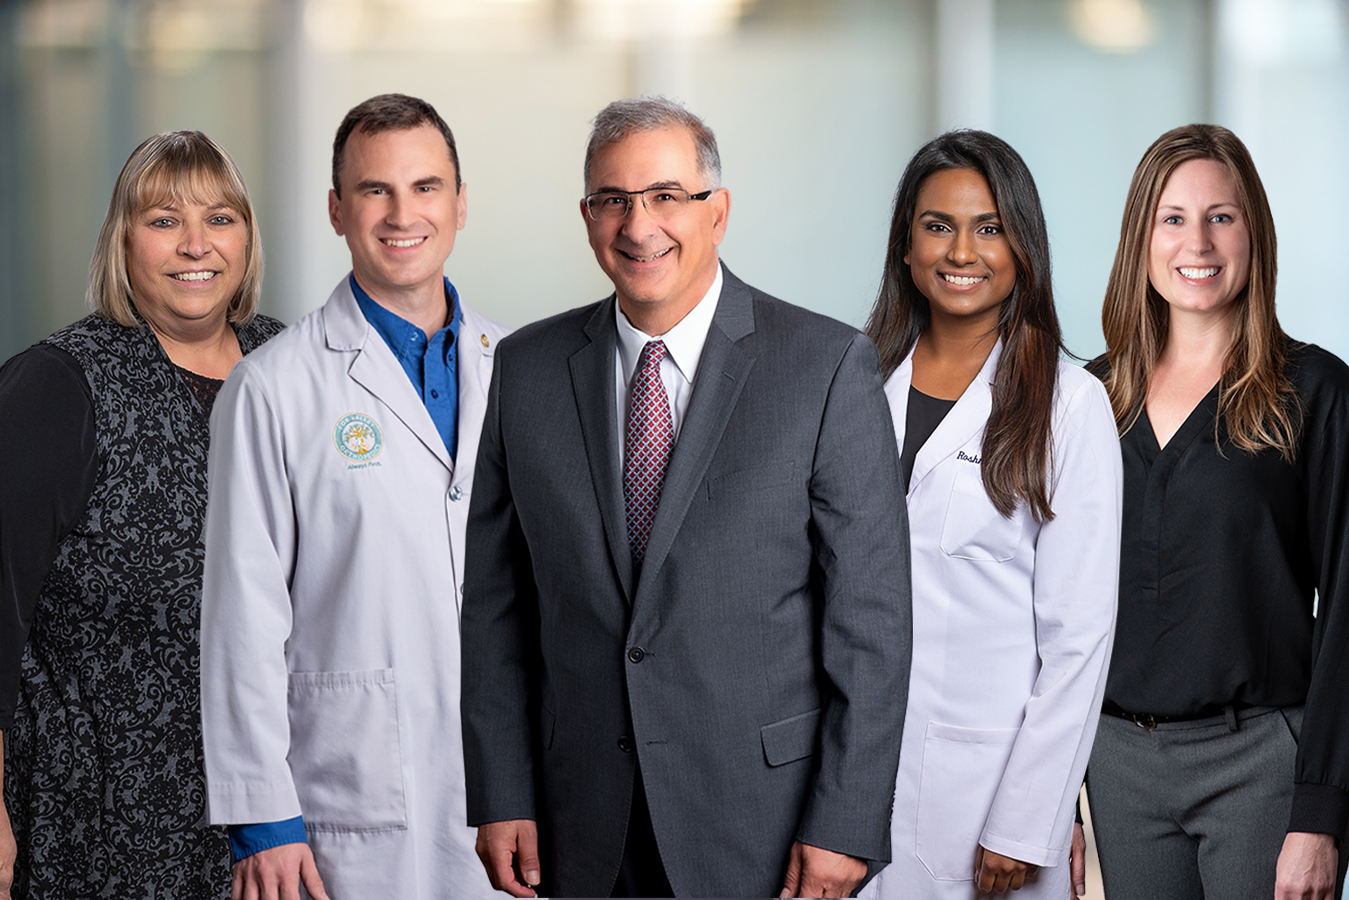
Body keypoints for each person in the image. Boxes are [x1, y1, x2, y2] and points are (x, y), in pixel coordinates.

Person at [459, 96, 912, 899]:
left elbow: (869, 624)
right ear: (587, 214)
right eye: (613, 200)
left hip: (762, 820)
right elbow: (497, 610)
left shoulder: (824, 366)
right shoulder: (526, 369)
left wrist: (844, 822)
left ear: (718, 213)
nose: (639, 226)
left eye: (666, 196)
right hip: (580, 818)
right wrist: (501, 792)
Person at [199, 93, 510, 899]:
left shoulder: (518, 367)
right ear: (337, 210)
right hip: (348, 806)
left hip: (511, 803)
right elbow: (242, 612)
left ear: (461, 203)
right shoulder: (274, 386)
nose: (402, 213)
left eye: (426, 187)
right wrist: (262, 818)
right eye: (375, 190)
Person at [0, 130, 282, 898]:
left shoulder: (293, 367)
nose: (196, 244)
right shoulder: (57, 387)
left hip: (275, 819)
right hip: (95, 819)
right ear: (121, 240)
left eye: (220, 218)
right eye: (163, 220)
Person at [852, 131, 1121, 900]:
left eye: (989, 227)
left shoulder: (1068, 406)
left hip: (983, 799)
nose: (960, 251)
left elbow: (1078, 640)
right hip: (849, 787)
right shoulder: (850, 384)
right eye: (937, 226)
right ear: (905, 246)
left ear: (1022, 248)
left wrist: (1024, 819)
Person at [1085, 123, 1349, 900]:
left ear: (1252, 233)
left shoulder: (1314, 393)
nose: (1195, 241)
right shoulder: (1086, 400)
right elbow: (1046, 610)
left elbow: (1344, 614)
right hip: (1114, 766)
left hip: (1259, 764)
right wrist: (1050, 798)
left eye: (1220, 216)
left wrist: (1322, 813)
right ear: (1141, 238)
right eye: (1172, 218)